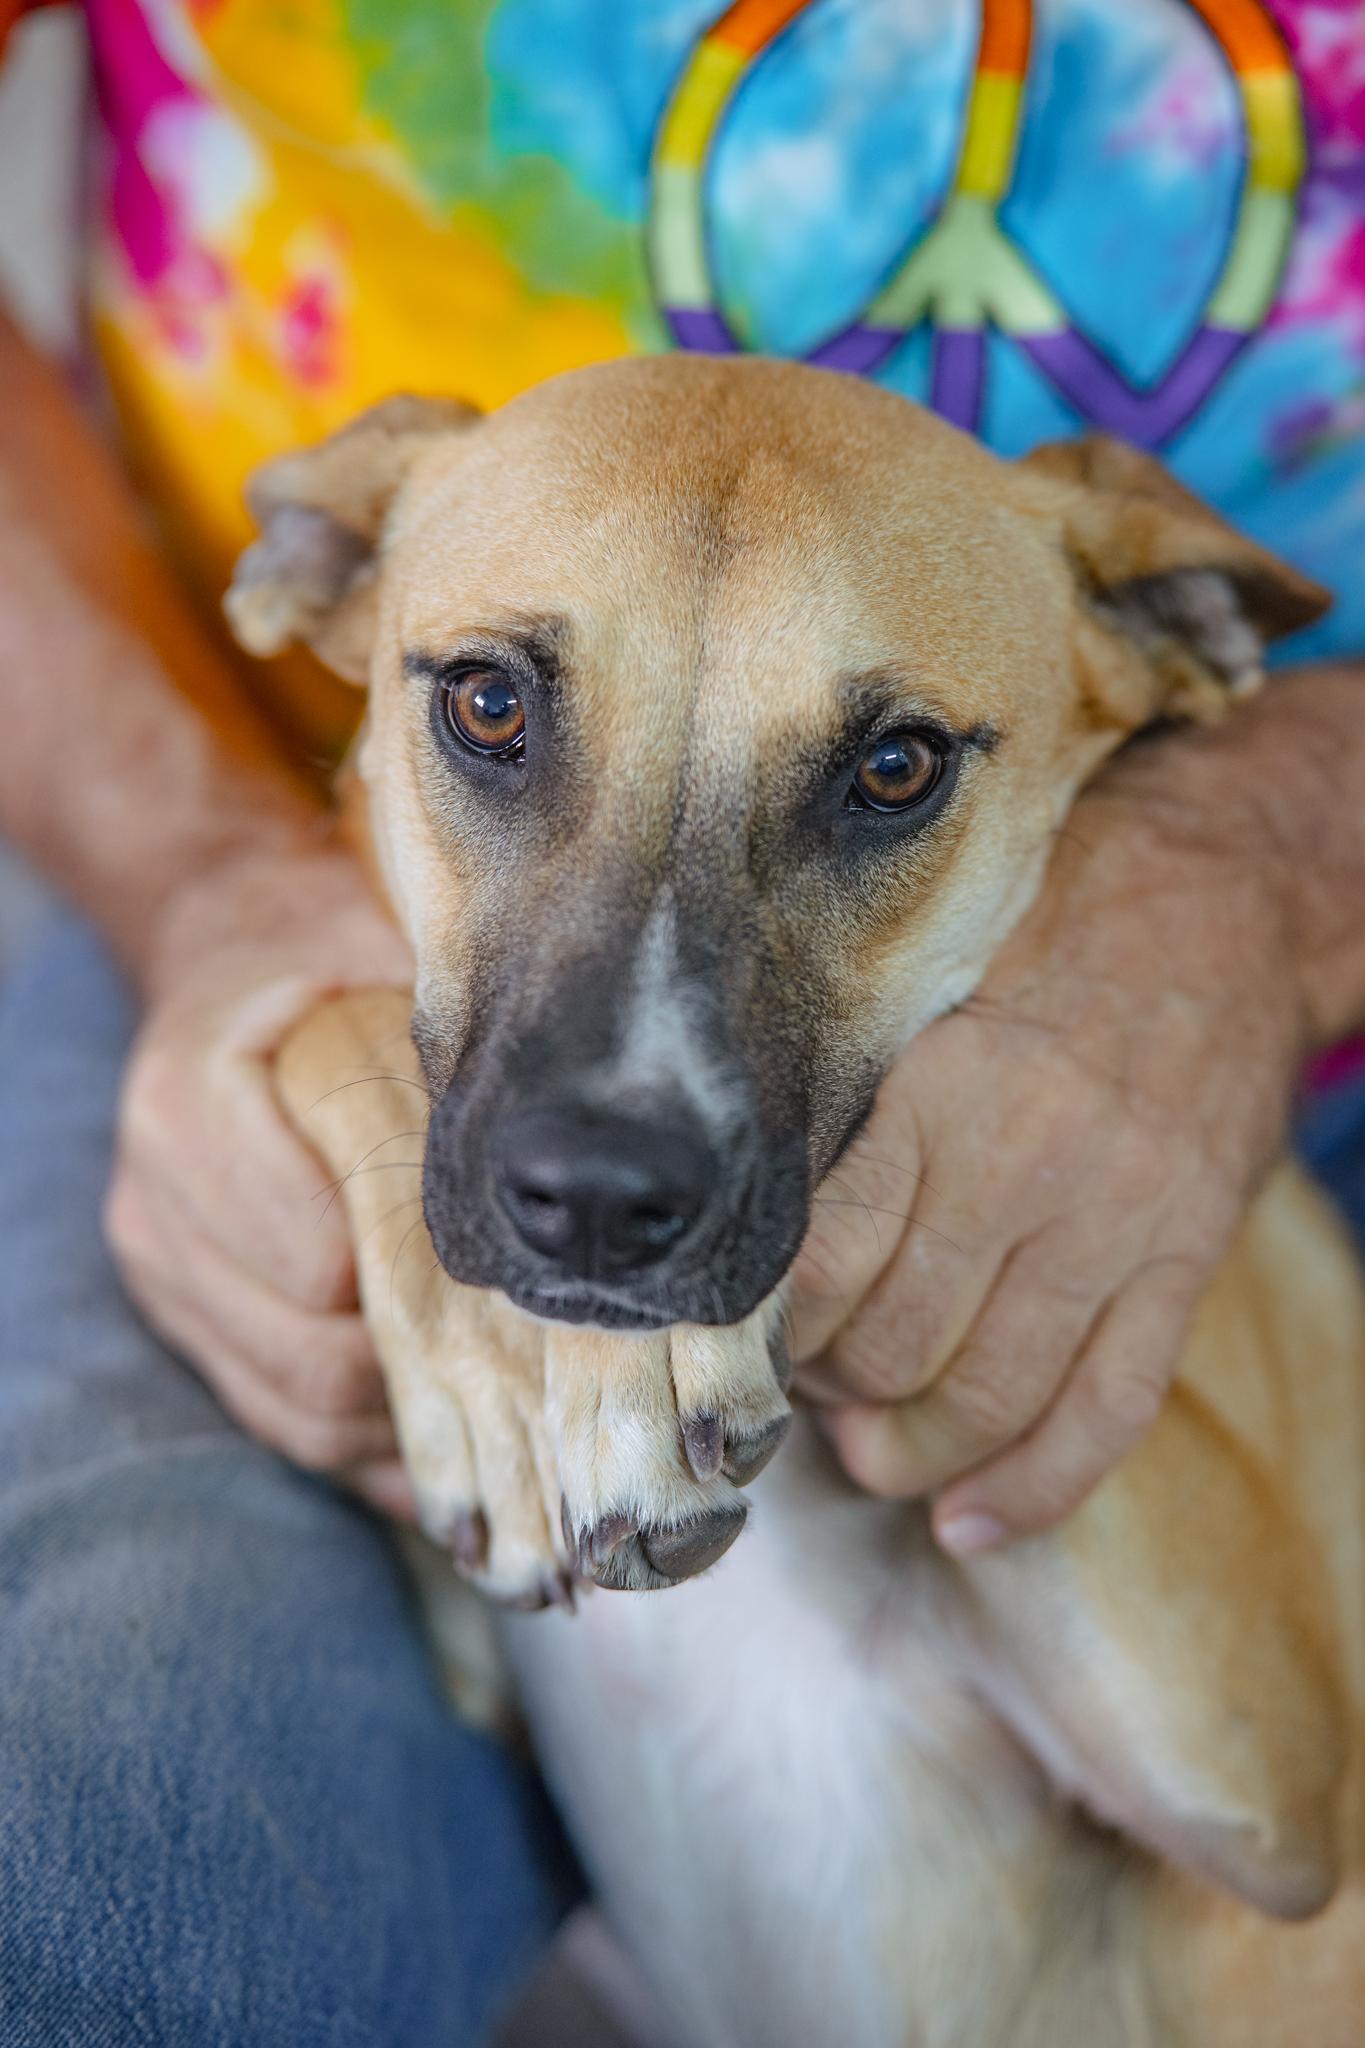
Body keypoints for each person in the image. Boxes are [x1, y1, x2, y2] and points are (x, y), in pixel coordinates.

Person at [2, 1, 1364, 2041]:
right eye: (495, 712)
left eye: (877, 772)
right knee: (87, 1798)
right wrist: (225, 912)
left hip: (1262, 978)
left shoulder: (1098, 645)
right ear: (336, 584)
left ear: (1145, 663)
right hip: (226, 862)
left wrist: (1277, 853)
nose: (612, 1122)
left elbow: (1272, 1829)